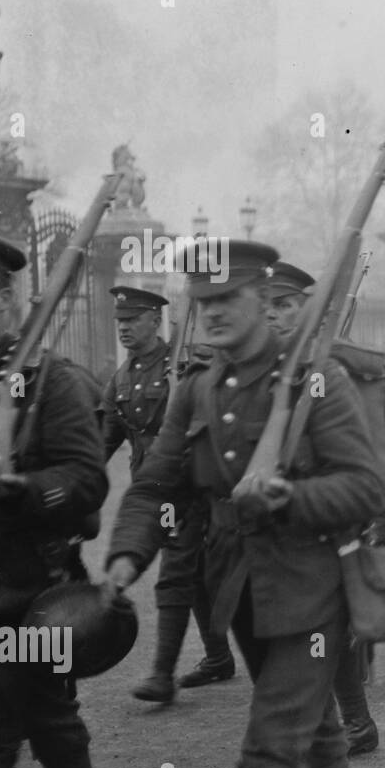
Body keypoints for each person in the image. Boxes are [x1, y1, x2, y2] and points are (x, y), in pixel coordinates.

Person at [106, 241, 385, 768]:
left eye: (228, 298)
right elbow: (153, 485)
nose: (214, 313)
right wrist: (126, 555)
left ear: (263, 300)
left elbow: (367, 487)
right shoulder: (199, 389)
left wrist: (291, 496)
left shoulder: (320, 380)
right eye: (203, 302)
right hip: (241, 589)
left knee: (269, 746)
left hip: (317, 587)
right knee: (312, 730)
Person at [0, 231, 114, 768]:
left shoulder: (51, 380)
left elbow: (86, 483)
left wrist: (20, 491)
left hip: (25, 586)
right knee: (41, 718)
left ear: (7, 298)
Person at [262, 259, 384, 756]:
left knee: (327, 630)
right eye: (265, 307)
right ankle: (330, 722)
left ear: (306, 310)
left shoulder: (335, 369)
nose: (273, 317)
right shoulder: (252, 371)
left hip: (329, 517)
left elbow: (369, 451)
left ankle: (352, 722)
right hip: (272, 525)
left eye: (285, 306)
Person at [105, 286, 235, 704]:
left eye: (132, 320)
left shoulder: (185, 365)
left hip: (189, 487)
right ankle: (217, 657)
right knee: (193, 573)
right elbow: (103, 441)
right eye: (120, 321)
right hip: (153, 487)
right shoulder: (121, 378)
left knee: (176, 569)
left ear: (153, 321)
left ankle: (161, 675)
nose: (124, 328)